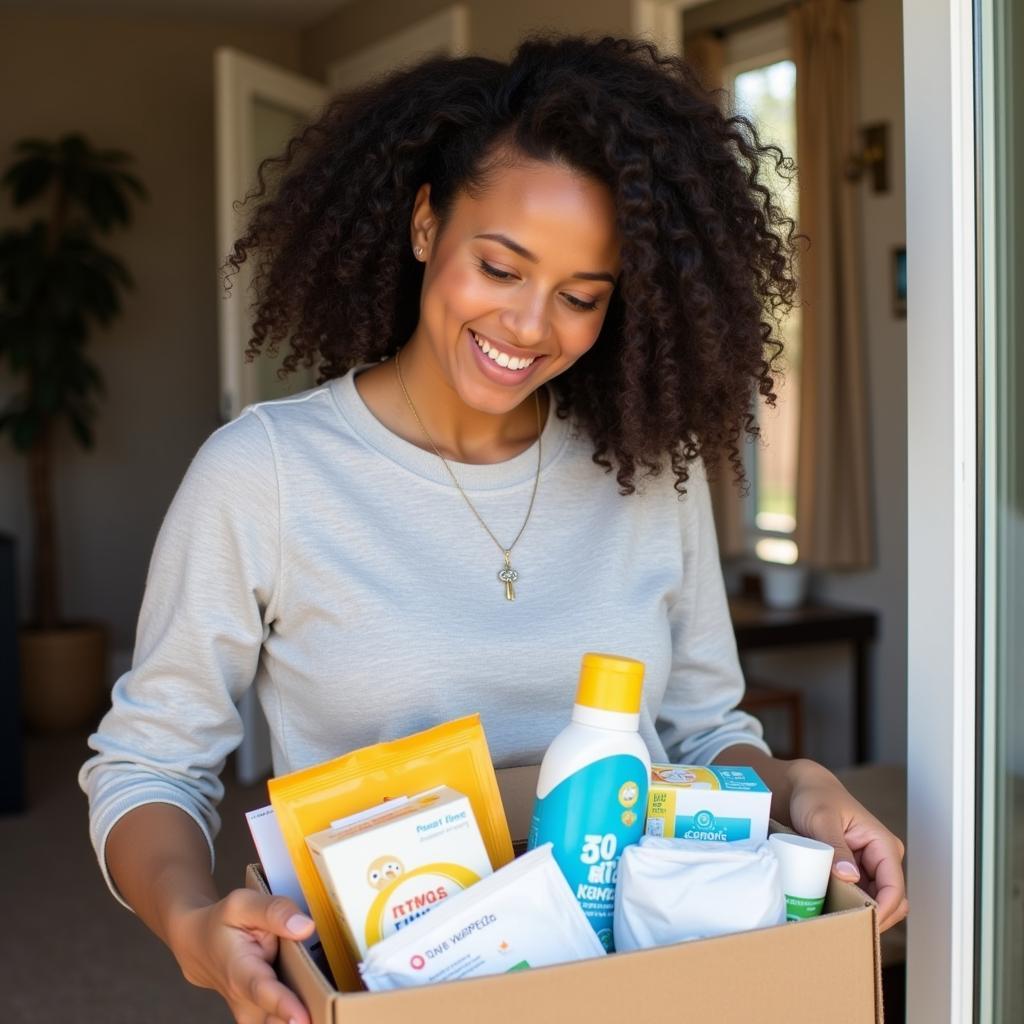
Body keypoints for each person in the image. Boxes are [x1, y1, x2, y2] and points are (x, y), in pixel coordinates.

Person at [80, 34, 907, 1024]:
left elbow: (702, 734)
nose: (528, 325)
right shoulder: (267, 473)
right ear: (427, 224)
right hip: (390, 979)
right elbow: (150, 762)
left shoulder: (645, 472)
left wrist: (794, 785)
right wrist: (188, 919)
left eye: (581, 296)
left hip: (639, 980)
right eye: (500, 266)